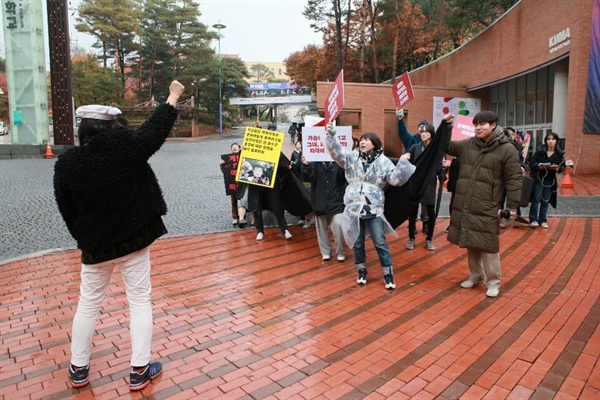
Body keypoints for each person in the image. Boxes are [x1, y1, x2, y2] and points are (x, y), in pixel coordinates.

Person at [53, 80, 185, 390]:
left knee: (88, 303)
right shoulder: (128, 149)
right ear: (113, 127)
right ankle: (140, 369)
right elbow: (155, 130)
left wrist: (84, 237)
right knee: (139, 300)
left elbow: (66, 210)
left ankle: (78, 368)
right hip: (134, 240)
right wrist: (173, 96)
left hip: (95, 247)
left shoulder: (67, 164)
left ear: (83, 129)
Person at [325, 123, 416, 290]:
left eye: (366, 139)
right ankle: (361, 271)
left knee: (380, 242)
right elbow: (337, 154)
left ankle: (388, 274)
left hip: (373, 209)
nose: (362, 142)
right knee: (357, 243)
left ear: (375, 143)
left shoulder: (383, 161)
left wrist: (403, 163)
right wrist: (331, 136)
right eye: (361, 139)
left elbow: (395, 180)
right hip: (354, 209)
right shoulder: (352, 157)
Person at [444, 110, 522, 298]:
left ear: (493, 125)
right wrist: (446, 127)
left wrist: (511, 207)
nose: (478, 128)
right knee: (471, 241)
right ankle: (476, 275)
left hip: (488, 205)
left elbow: (514, 179)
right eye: (476, 124)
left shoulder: (507, 149)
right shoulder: (469, 144)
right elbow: (446, 146)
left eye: (482, 124)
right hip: (467, 203)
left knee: (488, 245)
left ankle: (493, 281)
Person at [403, 123, 445, 251]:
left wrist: (442, 169)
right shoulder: (415, 148)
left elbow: (438, 168)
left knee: (431, 212)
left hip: (429, 185)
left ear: (432, 134)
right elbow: (410, 162)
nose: (423, 134)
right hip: (416, 184)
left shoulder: (435, 150)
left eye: (426, 132)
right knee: (412, 212)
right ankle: (411, 237)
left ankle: (429, 239)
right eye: (421, 132)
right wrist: (406, 158)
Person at [300, 153, 348, 261]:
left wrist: (343, 164)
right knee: (321, 228)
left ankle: (340, 251)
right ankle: (325, 251)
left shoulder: (338, 160)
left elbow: (344, 177)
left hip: (337, 201)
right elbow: (307, 178)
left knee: (339, 225)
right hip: (320, 200)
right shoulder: (314, 161)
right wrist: (306, 166)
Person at [396, 109, 428, 234]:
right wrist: (400, 119)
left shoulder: (432, 143)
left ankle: (425, 223)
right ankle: (412, 225)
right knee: (412, 201)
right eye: (420, 127)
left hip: (425, 176)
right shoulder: (412, 140)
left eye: (425, 128)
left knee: (426, 202)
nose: (422, 130)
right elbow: (403, 132)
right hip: (412, 176)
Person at [248, 153, 293, 240]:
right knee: (257, 209)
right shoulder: (250, 149)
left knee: (277, 207)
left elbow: (281, 168)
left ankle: (285, 229)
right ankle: (259, 231)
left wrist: (286, 167)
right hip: (255, 186)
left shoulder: (274, 150)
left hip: (271, 185)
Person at [528, 132, 565, 229]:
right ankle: (533, 219)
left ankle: (543, 220)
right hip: (538, 178)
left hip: (549, 180)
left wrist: (558, 168)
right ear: (546, 141)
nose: (551, 141)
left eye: (553, 139)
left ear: (556, 141)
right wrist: (539, 166)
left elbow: (562, 167)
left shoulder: (559, 154)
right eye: (548, 139)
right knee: (536, 199)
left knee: (545, 200)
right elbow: (532, 163)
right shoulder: (540, 151)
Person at [290, 141, 313, 228]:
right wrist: (292, 165)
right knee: (306, 199)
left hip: (313, 180)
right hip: (304, 179)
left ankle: (309, 218)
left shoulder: (317, 153)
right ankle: (305, 218)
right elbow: (297, 163)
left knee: (311, 199)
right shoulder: (301, 153)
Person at [220, 143, 241, 226]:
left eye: (236, 147)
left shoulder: (242, 156)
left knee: (243, 201)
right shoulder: (228, 159)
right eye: (233, 147)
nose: (235, 148)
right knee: (233, 200)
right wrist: (222, 165)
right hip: (232, 182)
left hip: (242, 183)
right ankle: (235, 217)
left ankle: (243, 216)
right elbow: (225, 171)